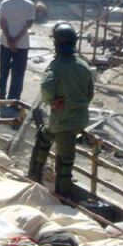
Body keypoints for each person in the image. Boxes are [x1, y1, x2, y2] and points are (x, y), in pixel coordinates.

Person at [28, 24, 94, 198]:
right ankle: (50, 183)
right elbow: (89, 93)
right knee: (48, 135)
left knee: (64, 160)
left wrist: (52, 101)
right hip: (80, 118)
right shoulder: (83, 66)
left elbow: (47, 86)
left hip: (63, 120)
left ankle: (59, 193)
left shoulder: (56, 67)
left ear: (57, 43)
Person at [0, 0, 34, 104]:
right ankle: (14, 99)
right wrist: (16, 39)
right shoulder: (29, 5)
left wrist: (9, 39)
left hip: (5, 42)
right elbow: (28, 25)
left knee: (3, 70)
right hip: (22, 44)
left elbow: (2, 22)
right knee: (18, 73)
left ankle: (1, 95)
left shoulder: (5, 3)